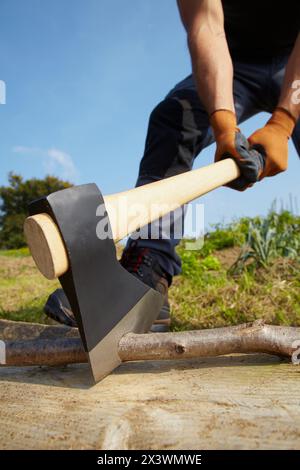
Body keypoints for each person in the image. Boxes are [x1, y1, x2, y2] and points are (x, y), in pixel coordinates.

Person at [44, 0, 300, 332]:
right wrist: (224, 125)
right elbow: (207, 26)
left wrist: (283, 121)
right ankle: (147, 276)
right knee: (174, 119)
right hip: (234, 60)